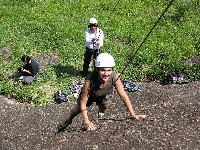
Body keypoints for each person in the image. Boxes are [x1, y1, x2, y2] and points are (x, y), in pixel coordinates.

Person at [58, 53, 146, 132]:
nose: (106, 74)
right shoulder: (89, 82)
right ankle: (69, 120)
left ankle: (100, 113)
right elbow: (83, 102)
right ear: (97, 69)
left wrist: (133, 114)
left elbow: (123, 96)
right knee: (77, 110)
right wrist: (87, 122)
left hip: (103, 94)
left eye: (109, 70)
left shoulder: (115, 78)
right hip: (90, 95)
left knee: (104, 107)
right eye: (103, 70)